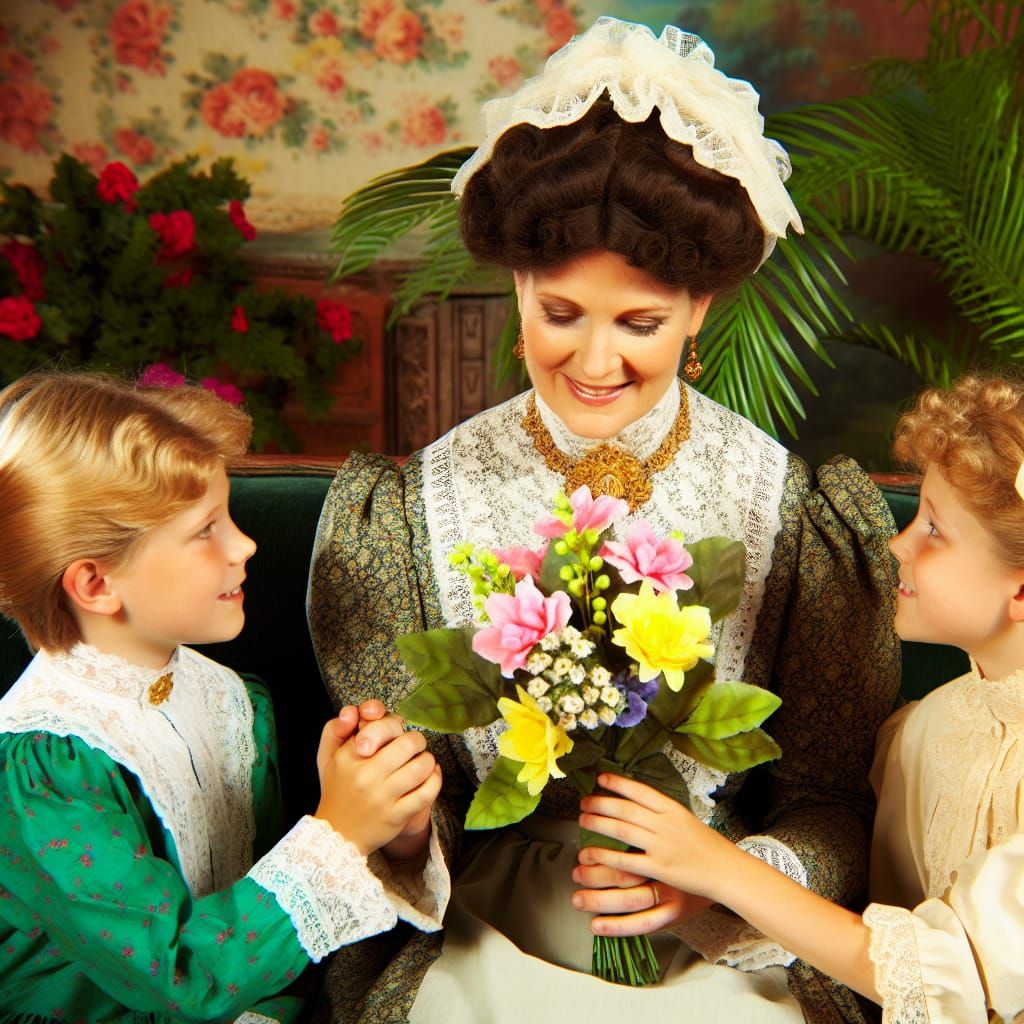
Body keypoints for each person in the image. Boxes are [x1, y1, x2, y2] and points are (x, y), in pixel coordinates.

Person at [307, 16, 899, 1024]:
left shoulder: (795, 512)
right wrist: (396, 823)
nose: (592, 363)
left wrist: (719, 876)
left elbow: (831, 808)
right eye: (559, 313)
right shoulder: (403, 509)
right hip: (490, 928)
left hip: (721, 932)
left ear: (701, 305)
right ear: (516, 288)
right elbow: (423, 810)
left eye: (639, 323)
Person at [578, 371, 1024, 1024]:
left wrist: (724, 869)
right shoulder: (917, 735)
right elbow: (865, 937)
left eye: (934, 529)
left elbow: (943, 978)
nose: (898, 542)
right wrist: (707, 880)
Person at [0, 371, 445, 1021]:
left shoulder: (225, 699)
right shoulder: (47, 769)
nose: (244, 544)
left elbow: (256, 912)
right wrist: (338, 832)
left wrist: (387, 825)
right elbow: (181, 975)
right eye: (205, 530)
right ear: (96, 584)